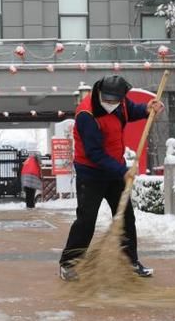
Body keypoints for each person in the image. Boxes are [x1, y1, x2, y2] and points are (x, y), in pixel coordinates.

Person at [59, 75, 164, 281]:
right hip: (90, 173)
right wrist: (122, 170)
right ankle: (68, 264)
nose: (110, 104)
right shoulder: (86, 115)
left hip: (114, 171)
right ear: (99, 93)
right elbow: (94, 153)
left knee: (126, 217)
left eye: (114, 101)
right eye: (106, 100)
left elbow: (131, 111)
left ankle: (130, 262)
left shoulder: (121, 103)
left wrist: (146, 109)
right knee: (86, 220)